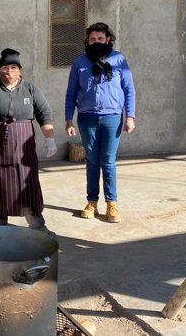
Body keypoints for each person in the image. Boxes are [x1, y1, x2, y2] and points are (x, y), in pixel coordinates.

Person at [0, 48, 56, 231]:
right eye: (6, 67)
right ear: (0, 69)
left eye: (14, 67)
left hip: (24, 148)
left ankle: (37, 225)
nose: (9, 71)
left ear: (20, 70)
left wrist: (50, 138)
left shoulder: (30, 89)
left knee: (27, 183)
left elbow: (44, 113)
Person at [64, 22, 135, 223]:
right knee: (92, 161)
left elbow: (129, 89)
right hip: (87, 118)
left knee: (108, 160)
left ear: (108, 40)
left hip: (113, 117)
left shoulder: (119, 59)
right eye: (93, 39)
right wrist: (69, 119)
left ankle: (111, 203)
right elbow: (71, 92)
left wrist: (130, 116)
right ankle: (92, 201)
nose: (97, 42)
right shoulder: (80, 62)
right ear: (88, 40)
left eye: (100, 39)